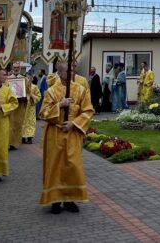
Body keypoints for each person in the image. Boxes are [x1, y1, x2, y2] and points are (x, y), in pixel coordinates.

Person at [39, 61, 95, 214]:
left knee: (72, 165)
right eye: (67, 71)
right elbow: (43, 113)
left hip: (72, 134)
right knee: (55, 166)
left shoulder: (81, 90)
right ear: (60, 73)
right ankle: (55, 201)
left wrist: (73, 124)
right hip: (55, 134)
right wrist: (59, 105)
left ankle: (70, 198)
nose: (71, 73)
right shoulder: (51, 91)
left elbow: (88, 111)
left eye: (72, 70)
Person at [7, 62, 28, 150]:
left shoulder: (24, 79)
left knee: (18, 124)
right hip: (11, 105)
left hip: (20, 105)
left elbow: (28, 91)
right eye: (14, 67)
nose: (16, 69)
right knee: (10, 124)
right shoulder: (8, 79)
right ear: (12, 68)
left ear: (20, 68)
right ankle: (10, 142)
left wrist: (25, 97)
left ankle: (16, 143)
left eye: (18, 67)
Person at [21, 71, 42, 144]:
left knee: (31, 122)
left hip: (31, 108)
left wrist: (32, 95)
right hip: (23, 107)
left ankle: (30, 137)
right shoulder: (22, 87)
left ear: (32, 78)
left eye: (29, 77)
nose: (28, 79)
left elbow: (38, 97)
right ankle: (23, 137)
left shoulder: (34, 87)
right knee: (23, 122)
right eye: (26, 77)